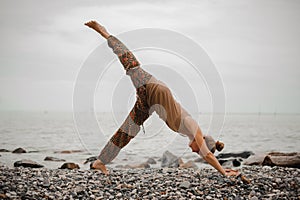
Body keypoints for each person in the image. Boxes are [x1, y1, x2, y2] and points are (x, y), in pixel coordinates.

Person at [84, 20, 238, 176]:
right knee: (130, 63)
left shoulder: (189, 133)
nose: (193, 150)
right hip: (155, 89)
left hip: (149, 104)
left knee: (126, 132)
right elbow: (208, 155)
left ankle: (99, 163)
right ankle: (104, 33)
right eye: (197, 150)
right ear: (201, 143)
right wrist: (223, 173)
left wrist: (222, 169)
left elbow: (207, 155)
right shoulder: (194, 128)